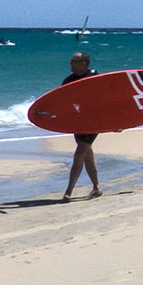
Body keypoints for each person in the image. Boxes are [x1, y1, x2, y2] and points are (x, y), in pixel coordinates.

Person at [61, 52, 101, 199]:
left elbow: (107, 100)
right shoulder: (68, 80)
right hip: (78, 122)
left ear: (84, 63)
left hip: (94, 121)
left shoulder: (95, 78)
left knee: (79, 153)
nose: (70, 63)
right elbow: (64, 103)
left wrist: (114, 122)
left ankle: (68, 191)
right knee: (87, 155)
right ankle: (96, 188)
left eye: (74, 61)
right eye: (71, 61)